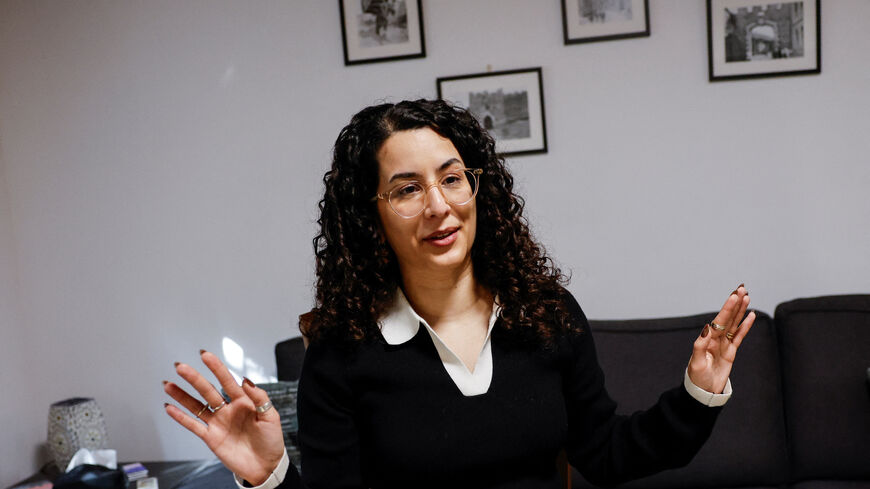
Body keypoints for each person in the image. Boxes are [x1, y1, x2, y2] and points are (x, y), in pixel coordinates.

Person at [163, 99, 756, 488]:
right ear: (371, 218)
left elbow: (606, 454)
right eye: (406, 189)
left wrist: (697, 394)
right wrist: (269, 474)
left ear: (478, 190)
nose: (438, 206)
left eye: (451, 179)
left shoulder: (547, 315)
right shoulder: (342, 351)